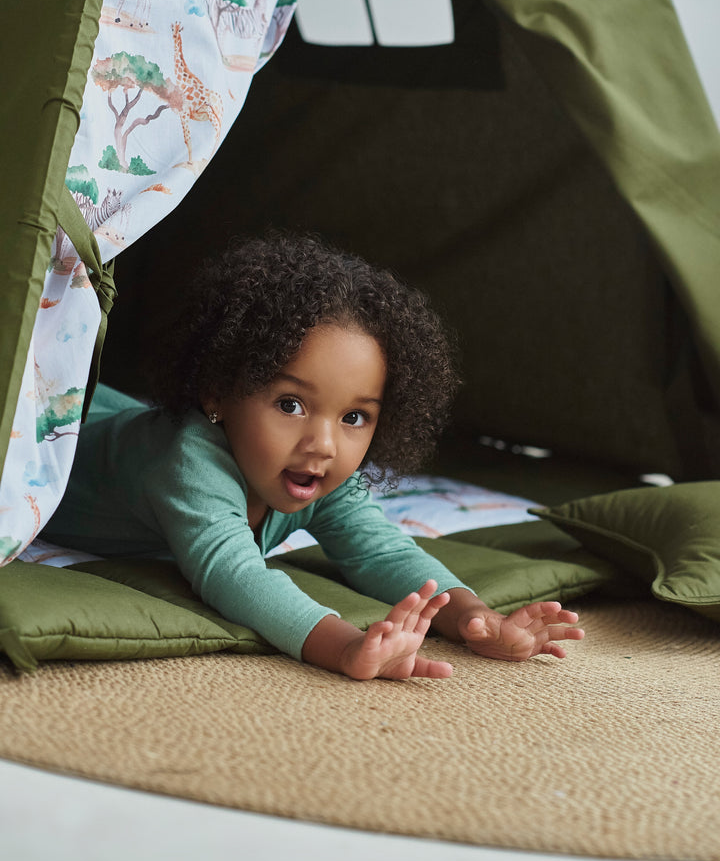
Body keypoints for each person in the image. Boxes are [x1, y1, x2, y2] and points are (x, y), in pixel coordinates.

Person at [46, 232, 584, 680]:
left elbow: (381, 552)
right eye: (290, 404)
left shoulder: (323, 472)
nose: (323, 444)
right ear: (216, 393)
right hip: (62, 431)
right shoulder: (188, 461)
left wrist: (474, 618)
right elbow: (236, 575)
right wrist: (347, 646)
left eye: (354, 418)